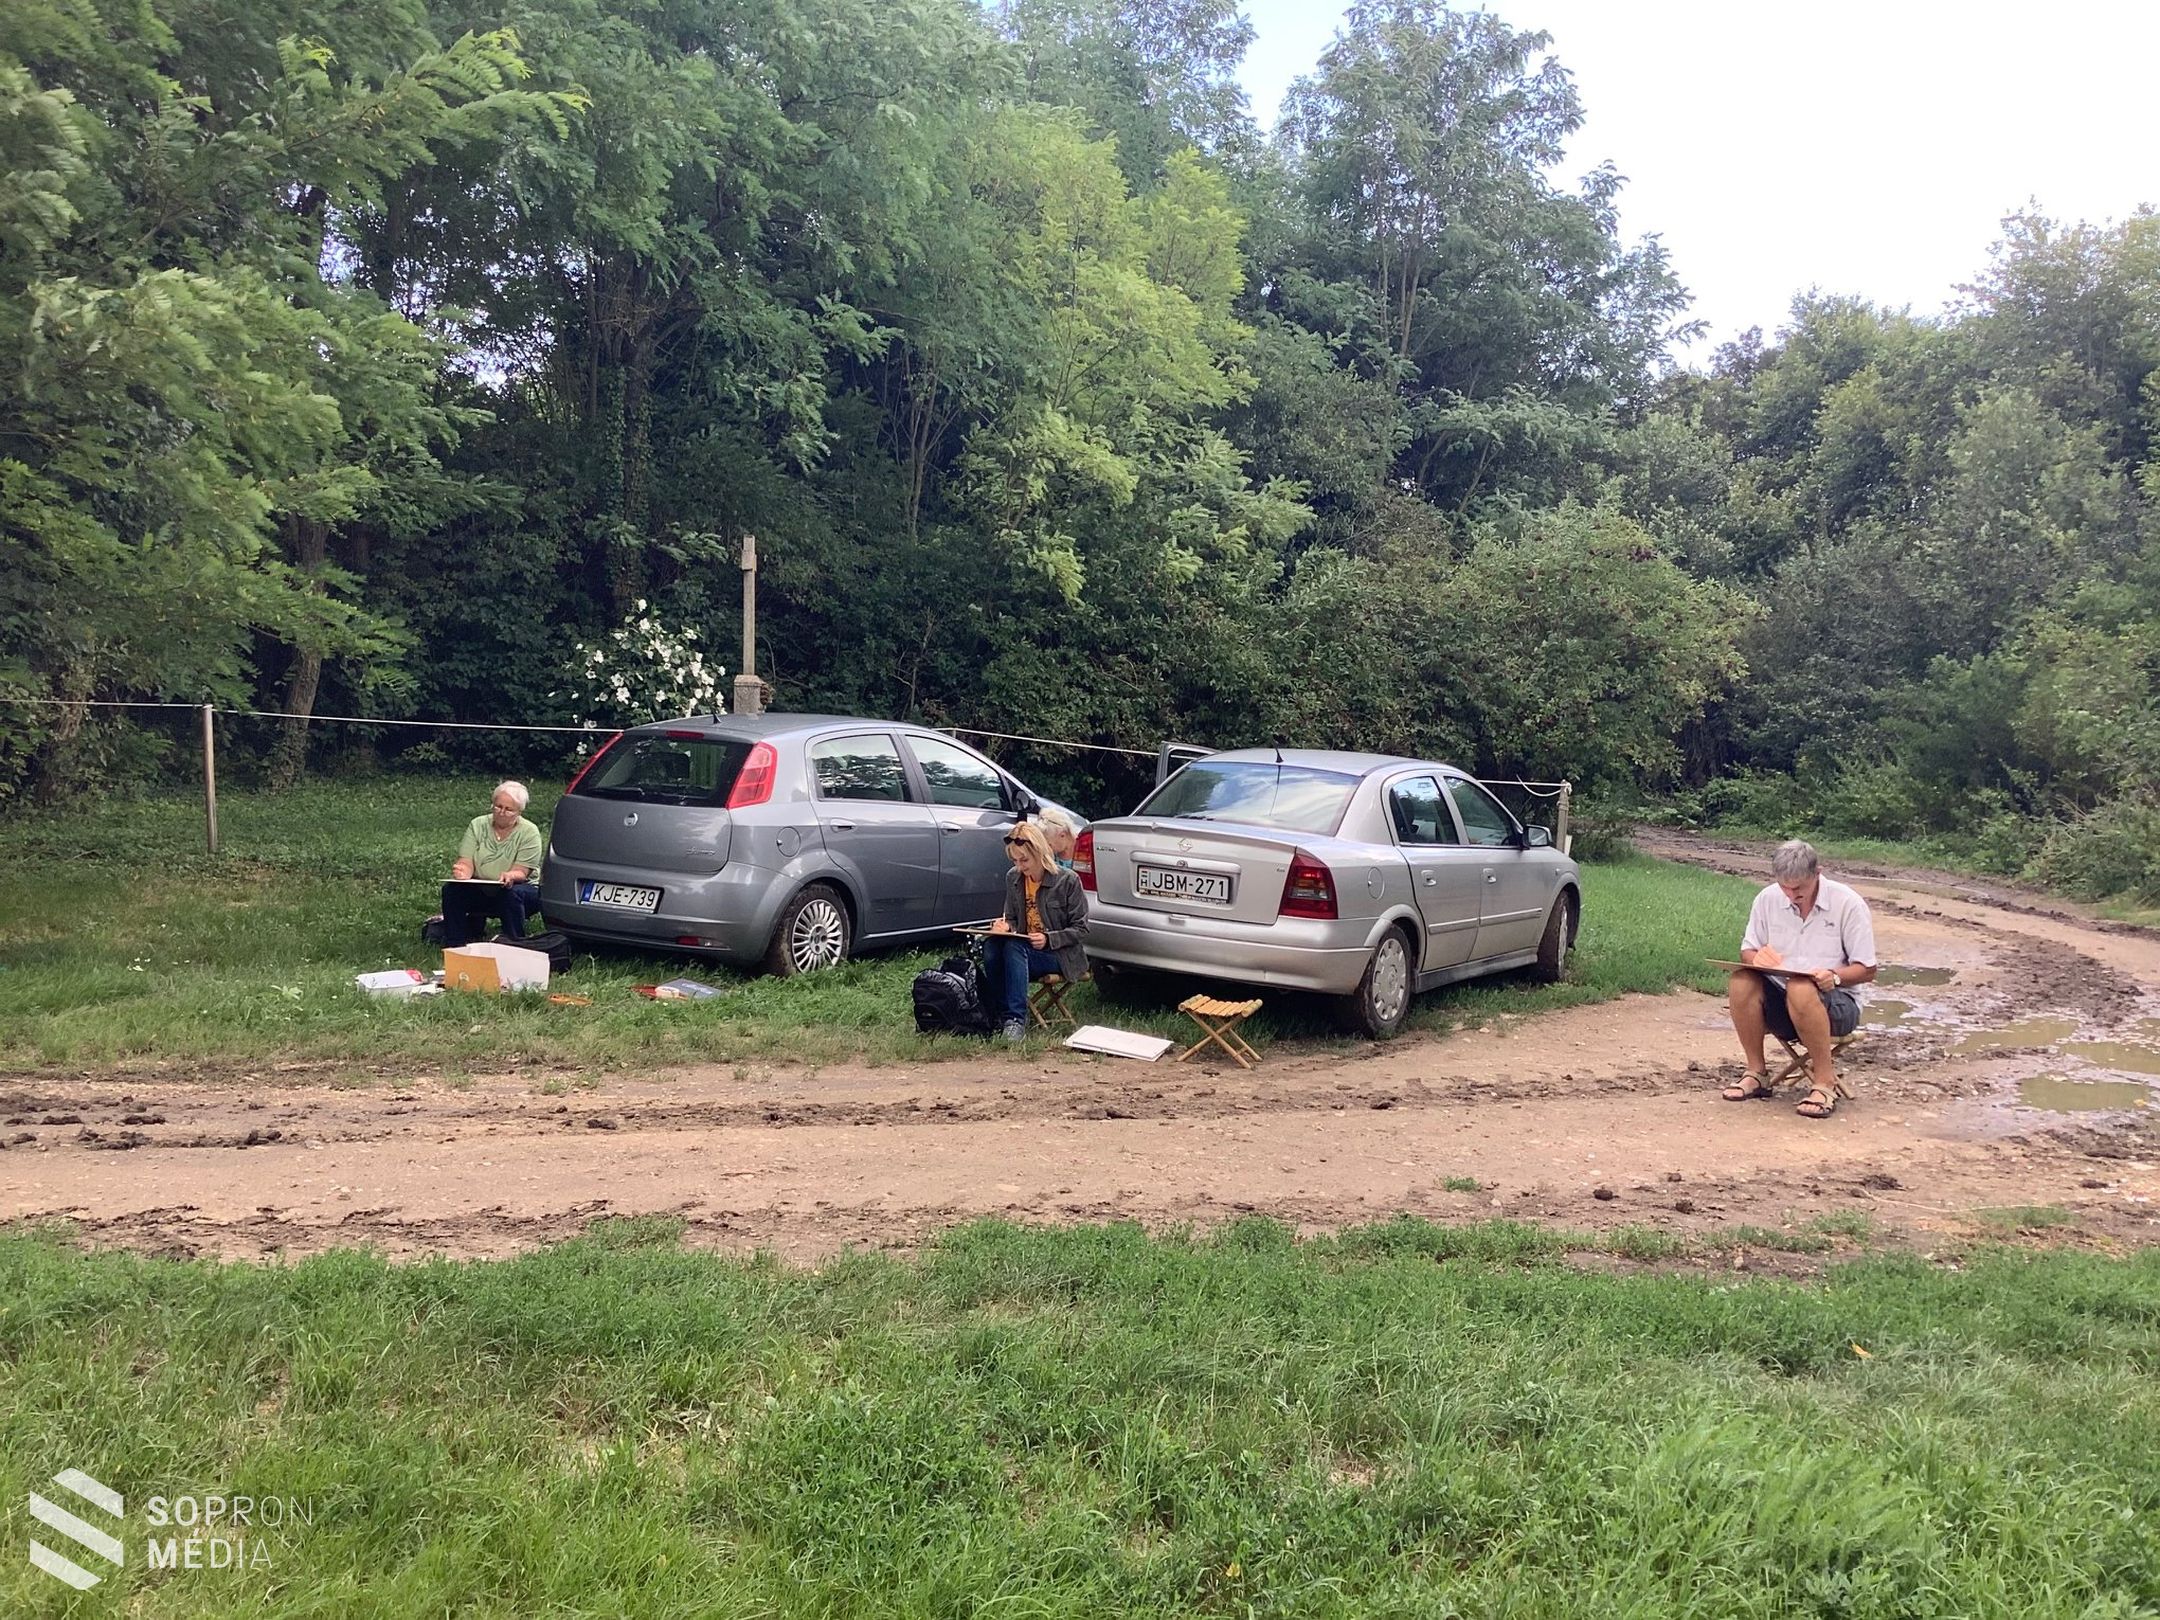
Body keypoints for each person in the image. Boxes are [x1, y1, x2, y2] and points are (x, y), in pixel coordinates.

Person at [1721, 839, 1877, 1118]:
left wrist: (1835, 977)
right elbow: (1748, 949)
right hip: (1783, 1000)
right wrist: (1756, 960)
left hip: (1836, 1003)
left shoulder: (1848, 903)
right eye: (1785, 888)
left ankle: (1824, 1082)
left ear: (1818, 873)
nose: (1792, 895)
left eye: (1799, 888)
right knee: (1742, 980)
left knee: (1802, 987)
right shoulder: (1768, 898)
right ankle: (1757, 1073)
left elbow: (1867, 969)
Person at [984, 821, 1090, 1045]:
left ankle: (1015, 1020)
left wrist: (1050, 939)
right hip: (1024, 949)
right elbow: (1011, 918)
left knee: (1014, 948)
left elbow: (1081, 929)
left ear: (1040, 853)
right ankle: (999, 1014)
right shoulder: (1013, 878)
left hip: (1060, 955)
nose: (1020, 866)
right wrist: (1006, 928)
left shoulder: (1068, 880)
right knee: (993, 946)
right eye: (1015, 860)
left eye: (1024, 860)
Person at [442, 781, 545, 947]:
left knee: (511, 893)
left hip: (520, 888)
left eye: (509, 809)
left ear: (519, 811)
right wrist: (464, 871)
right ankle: (455, 943)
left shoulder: (529, 832)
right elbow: (466, 859)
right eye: (498, 806)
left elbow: (522, 871)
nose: (502, 812)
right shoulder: (478, 824)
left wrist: (510, 875)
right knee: (451, 890)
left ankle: (514, 943)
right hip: (481, 887)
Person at [1036, 805, 1083, 870]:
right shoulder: (1048, 856)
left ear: (1062, 835)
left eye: (1049, 845)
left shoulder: (1084, 847)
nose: (1046, 848)